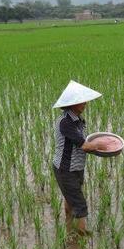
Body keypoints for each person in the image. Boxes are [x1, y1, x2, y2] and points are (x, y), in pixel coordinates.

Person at [52, 81, 102, 236]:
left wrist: (93, 146)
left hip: (75, 167)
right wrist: (102, 145)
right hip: (65, 169)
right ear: (72, 103)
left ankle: (68, 222)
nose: (85, 103)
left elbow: (80, 144)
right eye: (81, 101)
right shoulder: (66, 122)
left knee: (70, 195)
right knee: (80, 204)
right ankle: (81, 235)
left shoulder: (78, 120)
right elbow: (84, 145)